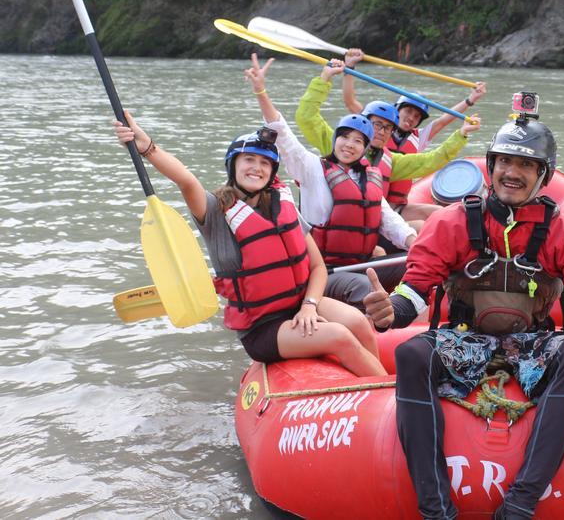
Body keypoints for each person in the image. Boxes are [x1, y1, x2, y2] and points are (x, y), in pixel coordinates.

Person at [362, 114, 564, 520]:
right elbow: (415, 289)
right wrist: (389, 312)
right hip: (465, 337)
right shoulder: (451, 222)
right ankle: (436, 510)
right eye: (504, 162)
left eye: (525, 165)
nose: (511, 173)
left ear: (543, 174)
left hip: (532, 342)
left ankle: (519, 504)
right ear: (492, 165)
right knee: (412, 353)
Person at [111, 112, 389, 375]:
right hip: (262, 329)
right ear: (233, 165)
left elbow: (316, 267)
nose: (256, 168)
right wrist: (146, 146)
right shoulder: (215, 211)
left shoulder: (284, 207)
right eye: (248, 160)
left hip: (300, 305)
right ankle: (391, 396)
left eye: (265, 163)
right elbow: (185, 180)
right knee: (340, 335)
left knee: (358, 323)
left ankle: (379, 386)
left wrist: (309, 305)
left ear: (272, 172)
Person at [245, 54, 427, 298]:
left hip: (360, 265)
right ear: (335, 140)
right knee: (364, 288)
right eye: (345, 137)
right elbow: (282, 133)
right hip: (324, 272)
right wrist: (261, 92)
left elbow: (388, 220)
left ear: (365, 148)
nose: (350, 145)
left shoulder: (369, 177)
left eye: (358, 141)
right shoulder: (312, 168)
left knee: (418, 265)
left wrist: (412, 242)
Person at [295, 50, 484, 228]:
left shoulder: (392, 160)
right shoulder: (339, 143)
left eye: (387, 128)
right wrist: (325, 77)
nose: (381, 132)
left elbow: (432, 159)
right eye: (377, 125)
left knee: (439, 215)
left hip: (382, 214)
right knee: (417, 229)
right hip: (337, 222)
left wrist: (462, 134)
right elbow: (308, 117)